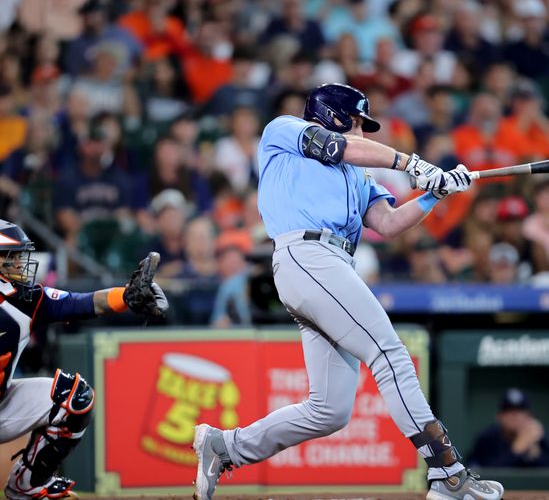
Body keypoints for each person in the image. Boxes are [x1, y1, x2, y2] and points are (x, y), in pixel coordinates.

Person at [192, 83, 504, 500]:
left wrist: (435, 193)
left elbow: (389, 223)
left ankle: (226, 446)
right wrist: (413, 163)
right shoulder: (283, 131)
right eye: (357, 122)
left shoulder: (358, 174)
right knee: (391, 355)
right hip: (306, 253)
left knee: (329, 411)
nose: (363, 132)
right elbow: (337, 147)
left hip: (329, 266)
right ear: (334, 116)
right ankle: (447, 474)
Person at [0, 218, 168, 499]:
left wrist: (127, 297)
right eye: (9, 257)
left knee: (75, 396)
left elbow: (83, 302)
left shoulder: (28, 299)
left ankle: (27, 485)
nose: (19, 263)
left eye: (19, 255)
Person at [468, 388, 549, 468]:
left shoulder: (540, 435)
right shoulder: (488, 437)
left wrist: (537, 455)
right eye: (509, 412)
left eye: (520, 412)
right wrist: (516, 450)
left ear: (530, 416)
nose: (515, 417)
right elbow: (481, 475)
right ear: (499, 417)